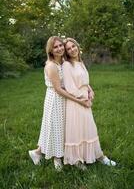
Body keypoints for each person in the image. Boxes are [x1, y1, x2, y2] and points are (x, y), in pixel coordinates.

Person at [28, 36, 89, 171]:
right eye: (55, 47)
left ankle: (38, 152)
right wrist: (78, 100)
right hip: (55, 99)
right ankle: (57, 157)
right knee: (55, 128)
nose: (60, 48)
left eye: (61, 45)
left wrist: (88, 89)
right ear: (50, 50)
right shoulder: (51, 66)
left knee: (62, 128)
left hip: (65, 98)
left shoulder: (64, 62)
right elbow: (58, 89)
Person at [62, 38, 116, 168]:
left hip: (85, 99)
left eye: (73, 46)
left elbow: (84, 81)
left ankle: (99, 156)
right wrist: (84, 98)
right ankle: (77, 160)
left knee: (89, 128)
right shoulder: (67, 65)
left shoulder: (80, 62)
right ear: (66, 52)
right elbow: (70, 87)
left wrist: (90, 91)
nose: (72, 50)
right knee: (76, 130)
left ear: (77, 46)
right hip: (76, 102)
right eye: (68, 49)